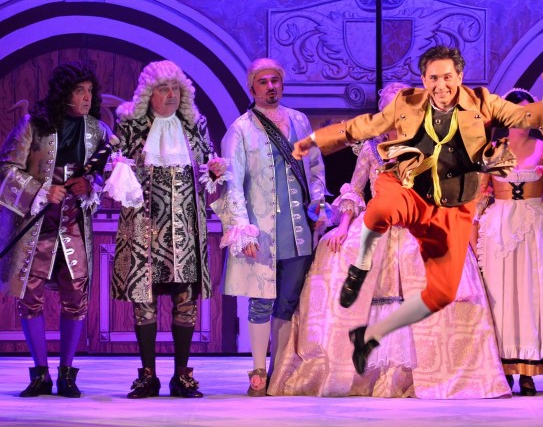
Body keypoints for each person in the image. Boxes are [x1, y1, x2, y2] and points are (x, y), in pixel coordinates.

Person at [293, 45, 543, 374]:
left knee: (442, 293)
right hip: (400, 210)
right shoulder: (389, 135)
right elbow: (358, 132)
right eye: (433, 78)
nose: (441, 85)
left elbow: (525, 118)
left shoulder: (472, 109)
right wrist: (316, 140)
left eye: (447, 77)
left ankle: (376, 338)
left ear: (459, 77)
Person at [269, 83, 509, 399]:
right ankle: (362, 371)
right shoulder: (371, 149)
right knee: (336, 253)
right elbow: (355, 191)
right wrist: (343, 226)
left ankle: (426, 371)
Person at [0, 62, 112, 398]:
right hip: (35, 226)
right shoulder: (33, 124)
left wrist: (90, 185)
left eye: (90, 91)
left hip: (74, 223)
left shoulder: (98, 130)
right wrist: (41, 190)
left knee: (76, 296)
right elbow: (5, 167)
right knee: (30, 296)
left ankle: (67, 374)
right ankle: (40, 374)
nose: (86, 97)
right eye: (79, 90)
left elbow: (109, 173)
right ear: (64, 93)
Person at [110, 60, 226, 399]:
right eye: (163, 88)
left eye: (176, 88)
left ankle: (181, 375)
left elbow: (208, 168)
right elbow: (112, 166)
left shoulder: (194, 125)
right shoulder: (132, 126)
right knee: (144, 301)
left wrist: (215, 169)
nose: (171, 94)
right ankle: (148, 376)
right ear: (150, 93)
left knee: (185, 300)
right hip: (142, 227)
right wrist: (117, 168)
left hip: (184, 228)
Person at [214, 58, 327, 396]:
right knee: (261, 300)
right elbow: (232, 183)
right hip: (260, 230)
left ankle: (278, 372)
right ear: (252, 88)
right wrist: (241, 228)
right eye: (263, 82)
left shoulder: (299, 120)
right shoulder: (240, 129)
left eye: (275, 80)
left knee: (288, 302)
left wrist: (318, 203)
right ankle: (258, 371)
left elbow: (315, 168)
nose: (270, 87)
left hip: (297, 229)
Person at [473, 88, 543, 396]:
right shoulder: (491, 151)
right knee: (501, 295)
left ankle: (529, 369)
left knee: (531, 294)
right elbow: (478, 198)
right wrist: (472, 238)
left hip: (535, 227)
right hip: (498, 229)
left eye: (527, 112)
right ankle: (504, 366)